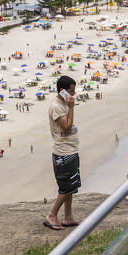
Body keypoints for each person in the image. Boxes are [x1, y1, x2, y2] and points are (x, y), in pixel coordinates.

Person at [44, 75, 82, 231]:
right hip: (63, 152)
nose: (73, 94)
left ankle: (68, 216)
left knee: (71, 186)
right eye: (71, 91)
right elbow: (66, 127)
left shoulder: (64, 103)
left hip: (70, 150)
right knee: (66, 188)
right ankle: (52, 215)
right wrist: (72, 107)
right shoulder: (56, 106)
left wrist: (70, 105)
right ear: (62, 90)